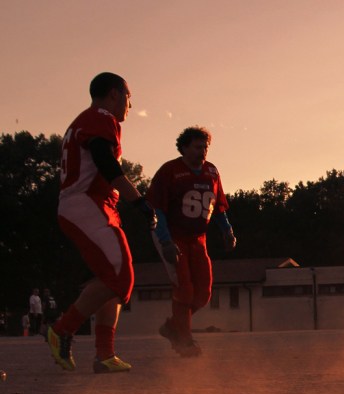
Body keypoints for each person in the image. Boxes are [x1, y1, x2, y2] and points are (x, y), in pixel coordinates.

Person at [46, 72, 156, 374]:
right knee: (120, 276)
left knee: (113, 282)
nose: (130, 105)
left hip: (94, 205)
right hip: (85, 203)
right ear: (114, 94)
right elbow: (107, 164)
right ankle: (62, 329)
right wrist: (139, 201)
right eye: (129, 96)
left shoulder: (89, 120)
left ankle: (105, 354)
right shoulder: (101, 117)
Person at [147, 126, 235, 358]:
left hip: (198, 238)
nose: (203, 151)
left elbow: (218, 208)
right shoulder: (170, 171)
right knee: (184, 289)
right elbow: (158, 210)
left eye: (205, 146)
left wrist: (227, 231)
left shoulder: (212, 172)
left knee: (203, 293)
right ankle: (184, 341)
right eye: (197, 146)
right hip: (173, 234)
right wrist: (165, 241)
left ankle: (173, 326)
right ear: (184, 147)